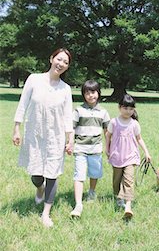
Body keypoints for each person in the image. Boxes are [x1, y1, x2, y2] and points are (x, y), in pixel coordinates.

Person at [12, 48, 74, 228]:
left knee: (52, 174)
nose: (61, 64)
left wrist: (70, 139)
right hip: (35, 134)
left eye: (65, 62)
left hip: (56, 136)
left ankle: (45, 214)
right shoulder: (34, 79)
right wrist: (17, 128)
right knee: (37, 175)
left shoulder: (66, 89)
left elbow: (67, 116)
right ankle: (39, 188)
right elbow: (23, 104)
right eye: (59, 59)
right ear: (51, 58)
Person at [106, 94, 151, 218]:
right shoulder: (114, 122)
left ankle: (128, 206)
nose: (128, 111)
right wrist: (107, 149)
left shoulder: (134, 124)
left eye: (131, 109)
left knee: (129, 180)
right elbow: (108, 136)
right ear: (120, 107)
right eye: (126, 108)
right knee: (116, 180)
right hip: (116, 156)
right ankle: (118, 197)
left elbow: (139, 139)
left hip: (131, 156)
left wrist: (146, 152)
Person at [70, 80, 110, 218]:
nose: (90, 95)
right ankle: (78, 204)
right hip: (80, 148)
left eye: (93, 92)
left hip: (96, 148)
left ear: (98, 93)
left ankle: (92, 191)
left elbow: (107, 131)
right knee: (79, 175)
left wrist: (108, 147)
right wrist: (69, 144)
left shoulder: (103, 112)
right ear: (83, 95)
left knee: (95, 173)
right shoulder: (78, 110)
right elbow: (71, 129)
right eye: (87, 93)